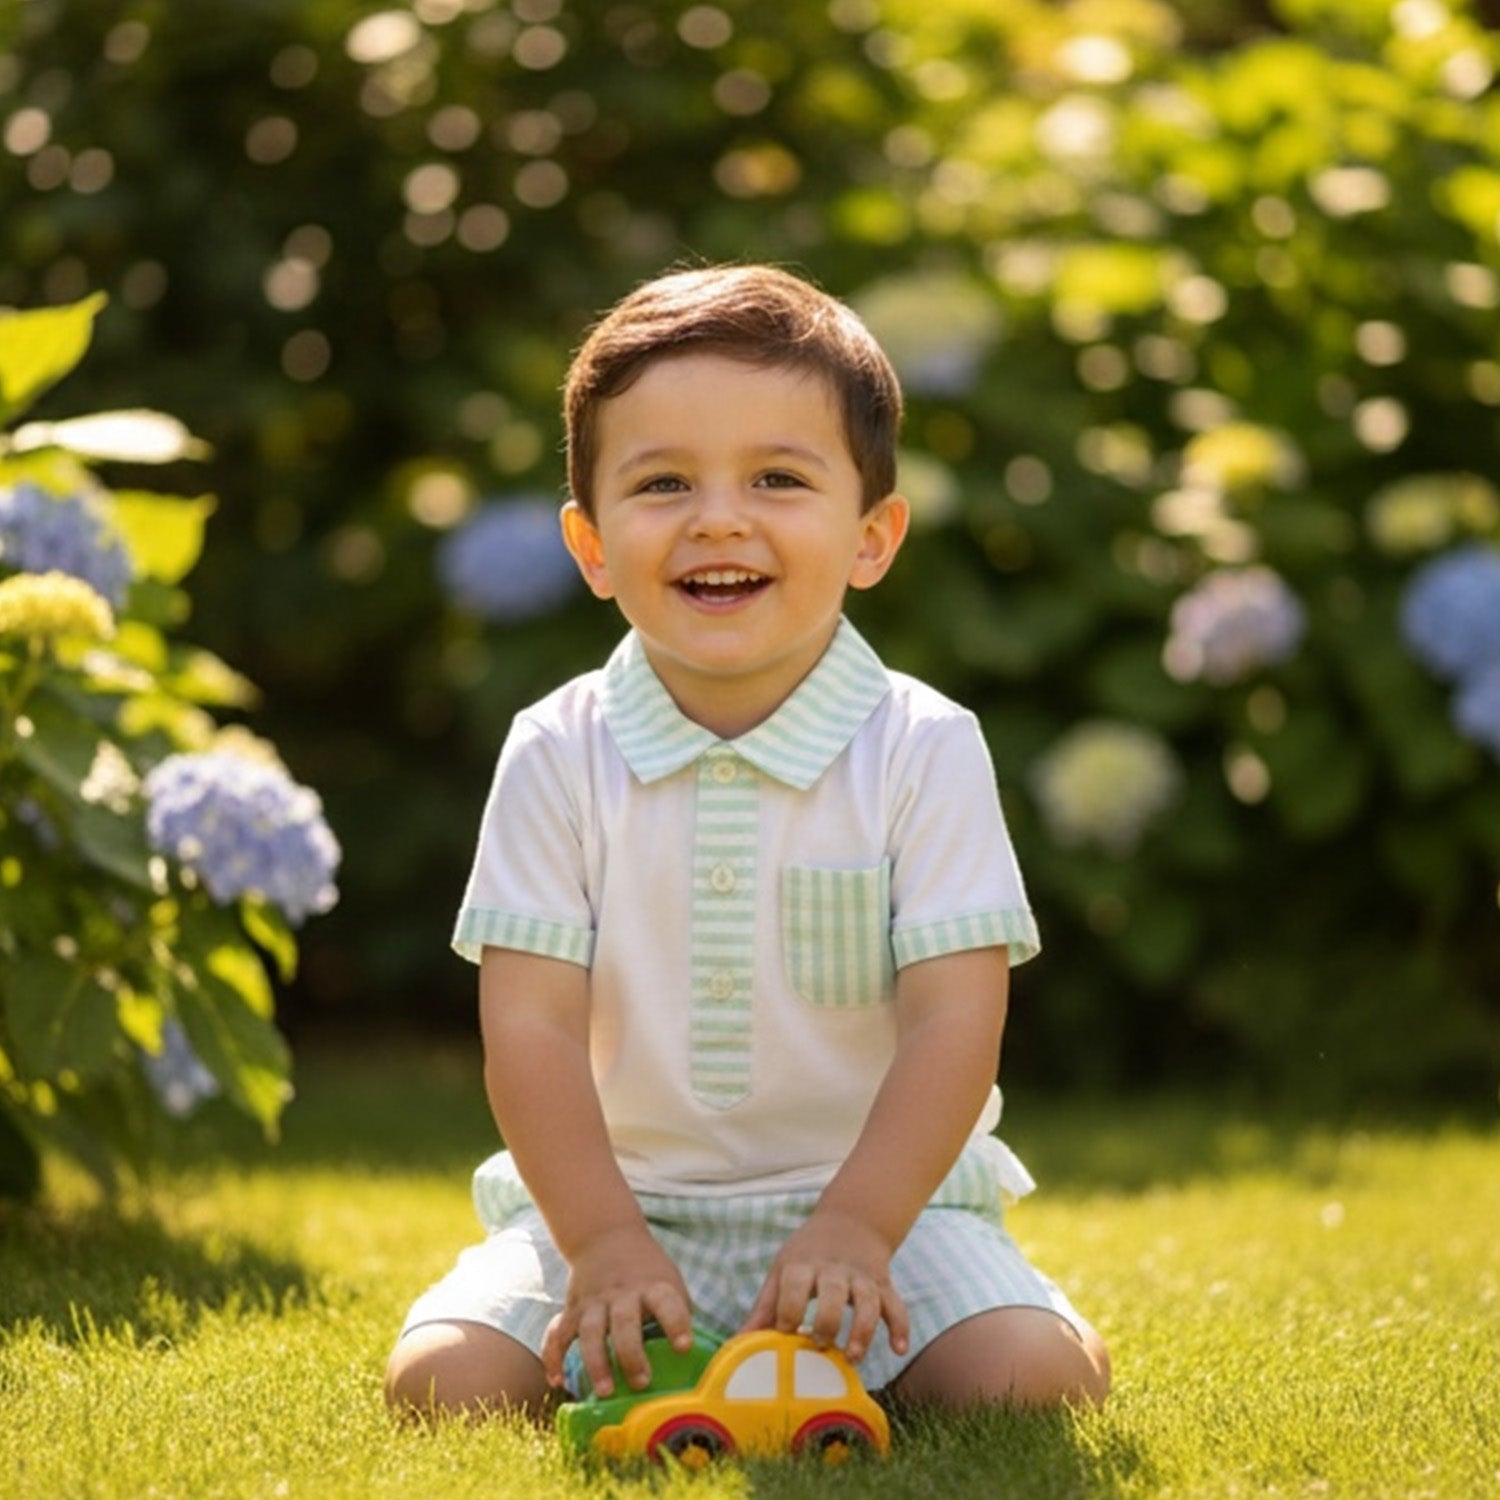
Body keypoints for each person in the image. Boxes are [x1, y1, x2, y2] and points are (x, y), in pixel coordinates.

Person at [385, 264, 1110, 1420]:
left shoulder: (922, 746)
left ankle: (898, 1326)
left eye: (778, 478)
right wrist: (604, 1240)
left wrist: (860, 1226)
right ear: (591, 546)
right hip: (618, 1205)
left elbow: (953, 1019)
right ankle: (658, 1325)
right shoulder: (557, 749)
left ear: (872, 538)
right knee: (442, 1386)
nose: (719, 517)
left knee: (1033, 1383)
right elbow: (528, 1024)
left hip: (885, 1211)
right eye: (663, 482)